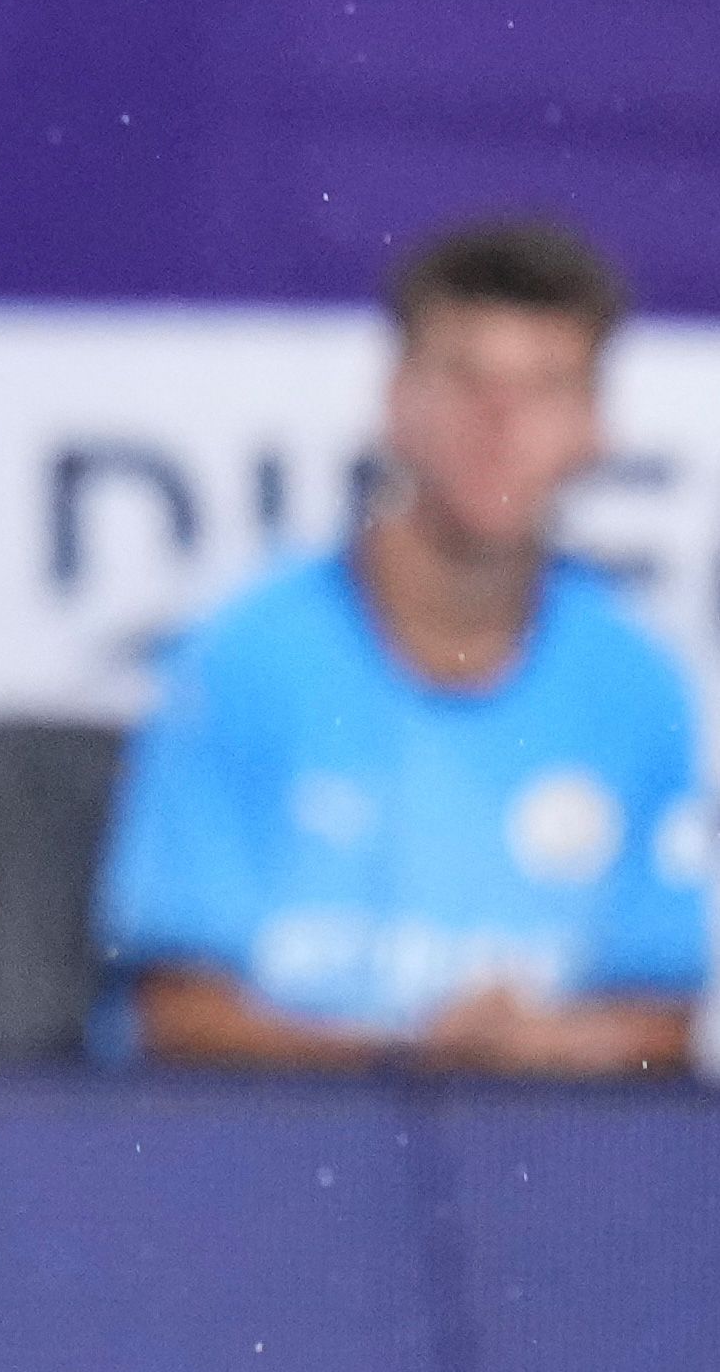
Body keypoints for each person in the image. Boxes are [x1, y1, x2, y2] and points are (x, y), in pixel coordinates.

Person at [101, 219, 705, 1077]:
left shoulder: (640, 684)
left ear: (595, 428)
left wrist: (533, 1052)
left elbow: (665, 1020)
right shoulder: (241, 656)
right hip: (259, 1182)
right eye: (467, 379)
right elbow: (174, 1013)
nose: (501, 425)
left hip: (537, 1185)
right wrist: (427, 1062)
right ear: (395, 401)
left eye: (545, 387)